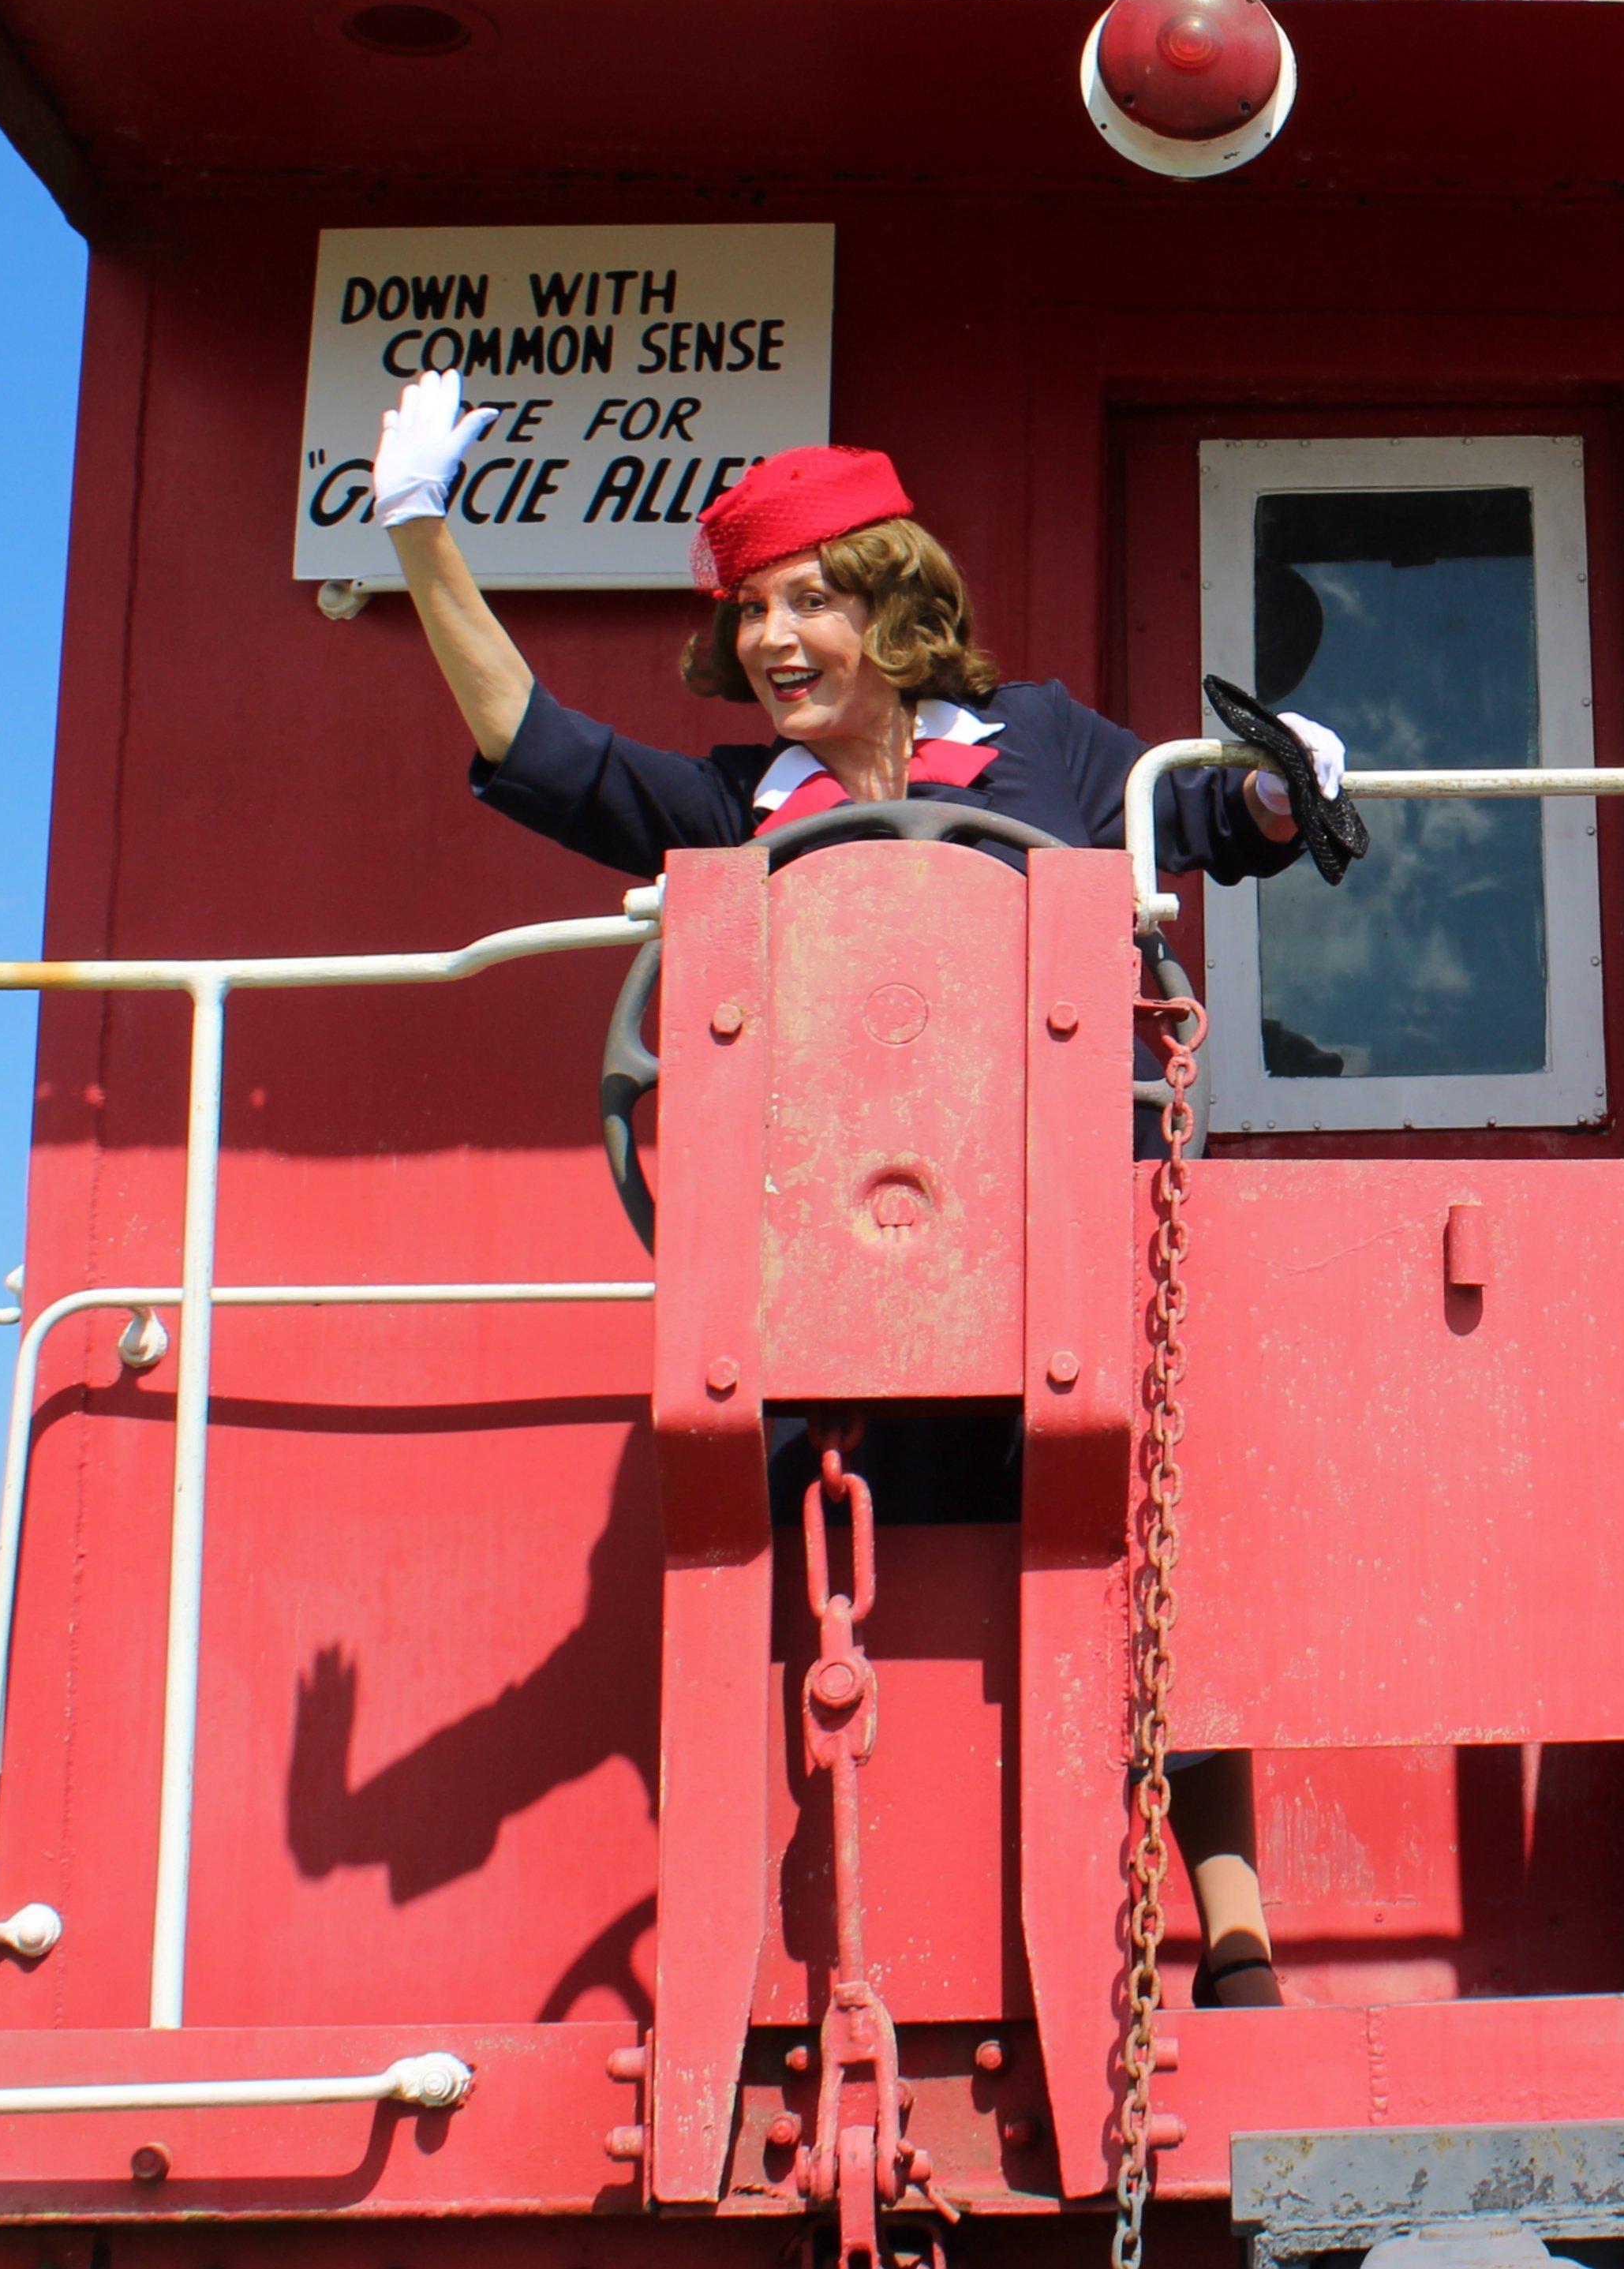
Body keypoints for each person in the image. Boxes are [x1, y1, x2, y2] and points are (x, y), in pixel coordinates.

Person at [373, 369, 1338, 2008]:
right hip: (844, 1282)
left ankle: (1231, 1932)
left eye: (812, 597)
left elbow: (1195, 811)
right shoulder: (730, 810)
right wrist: (419, 534)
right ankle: (837, 1955)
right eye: (753, 608)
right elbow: (534, 743)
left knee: (1149, 1556)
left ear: (899, 606)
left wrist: (1276, 780)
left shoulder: (1041, 740)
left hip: (1054, 1253)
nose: (775, 636)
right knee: (791, 1578)